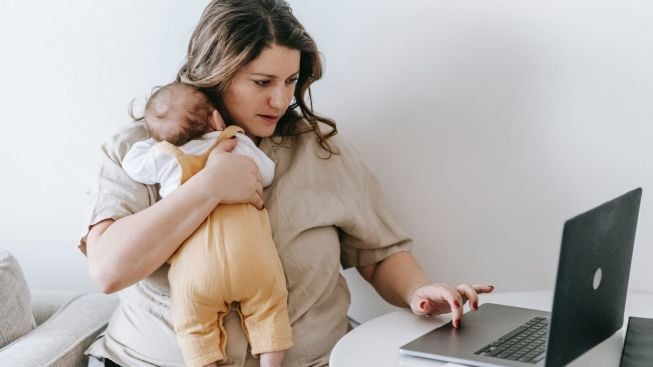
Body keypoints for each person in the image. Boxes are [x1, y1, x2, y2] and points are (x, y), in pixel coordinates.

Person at [81, 0, 494, 366]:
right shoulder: (140, 151)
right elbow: (108, 270)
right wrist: (207, 188)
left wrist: (419, 291)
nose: (280, 100)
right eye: (262, 82)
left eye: (290, 81)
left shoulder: (320, 150)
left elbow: (379, 253)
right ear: (215, 74)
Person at [121, 82, 292, 367]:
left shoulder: (166, 157)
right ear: (215, 118)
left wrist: (157, 140)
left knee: (193, 325)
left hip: (197, 270)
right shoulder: (236, 142)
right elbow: (266, 173)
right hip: (250, 258)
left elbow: (132, 164)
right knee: (270, 308)